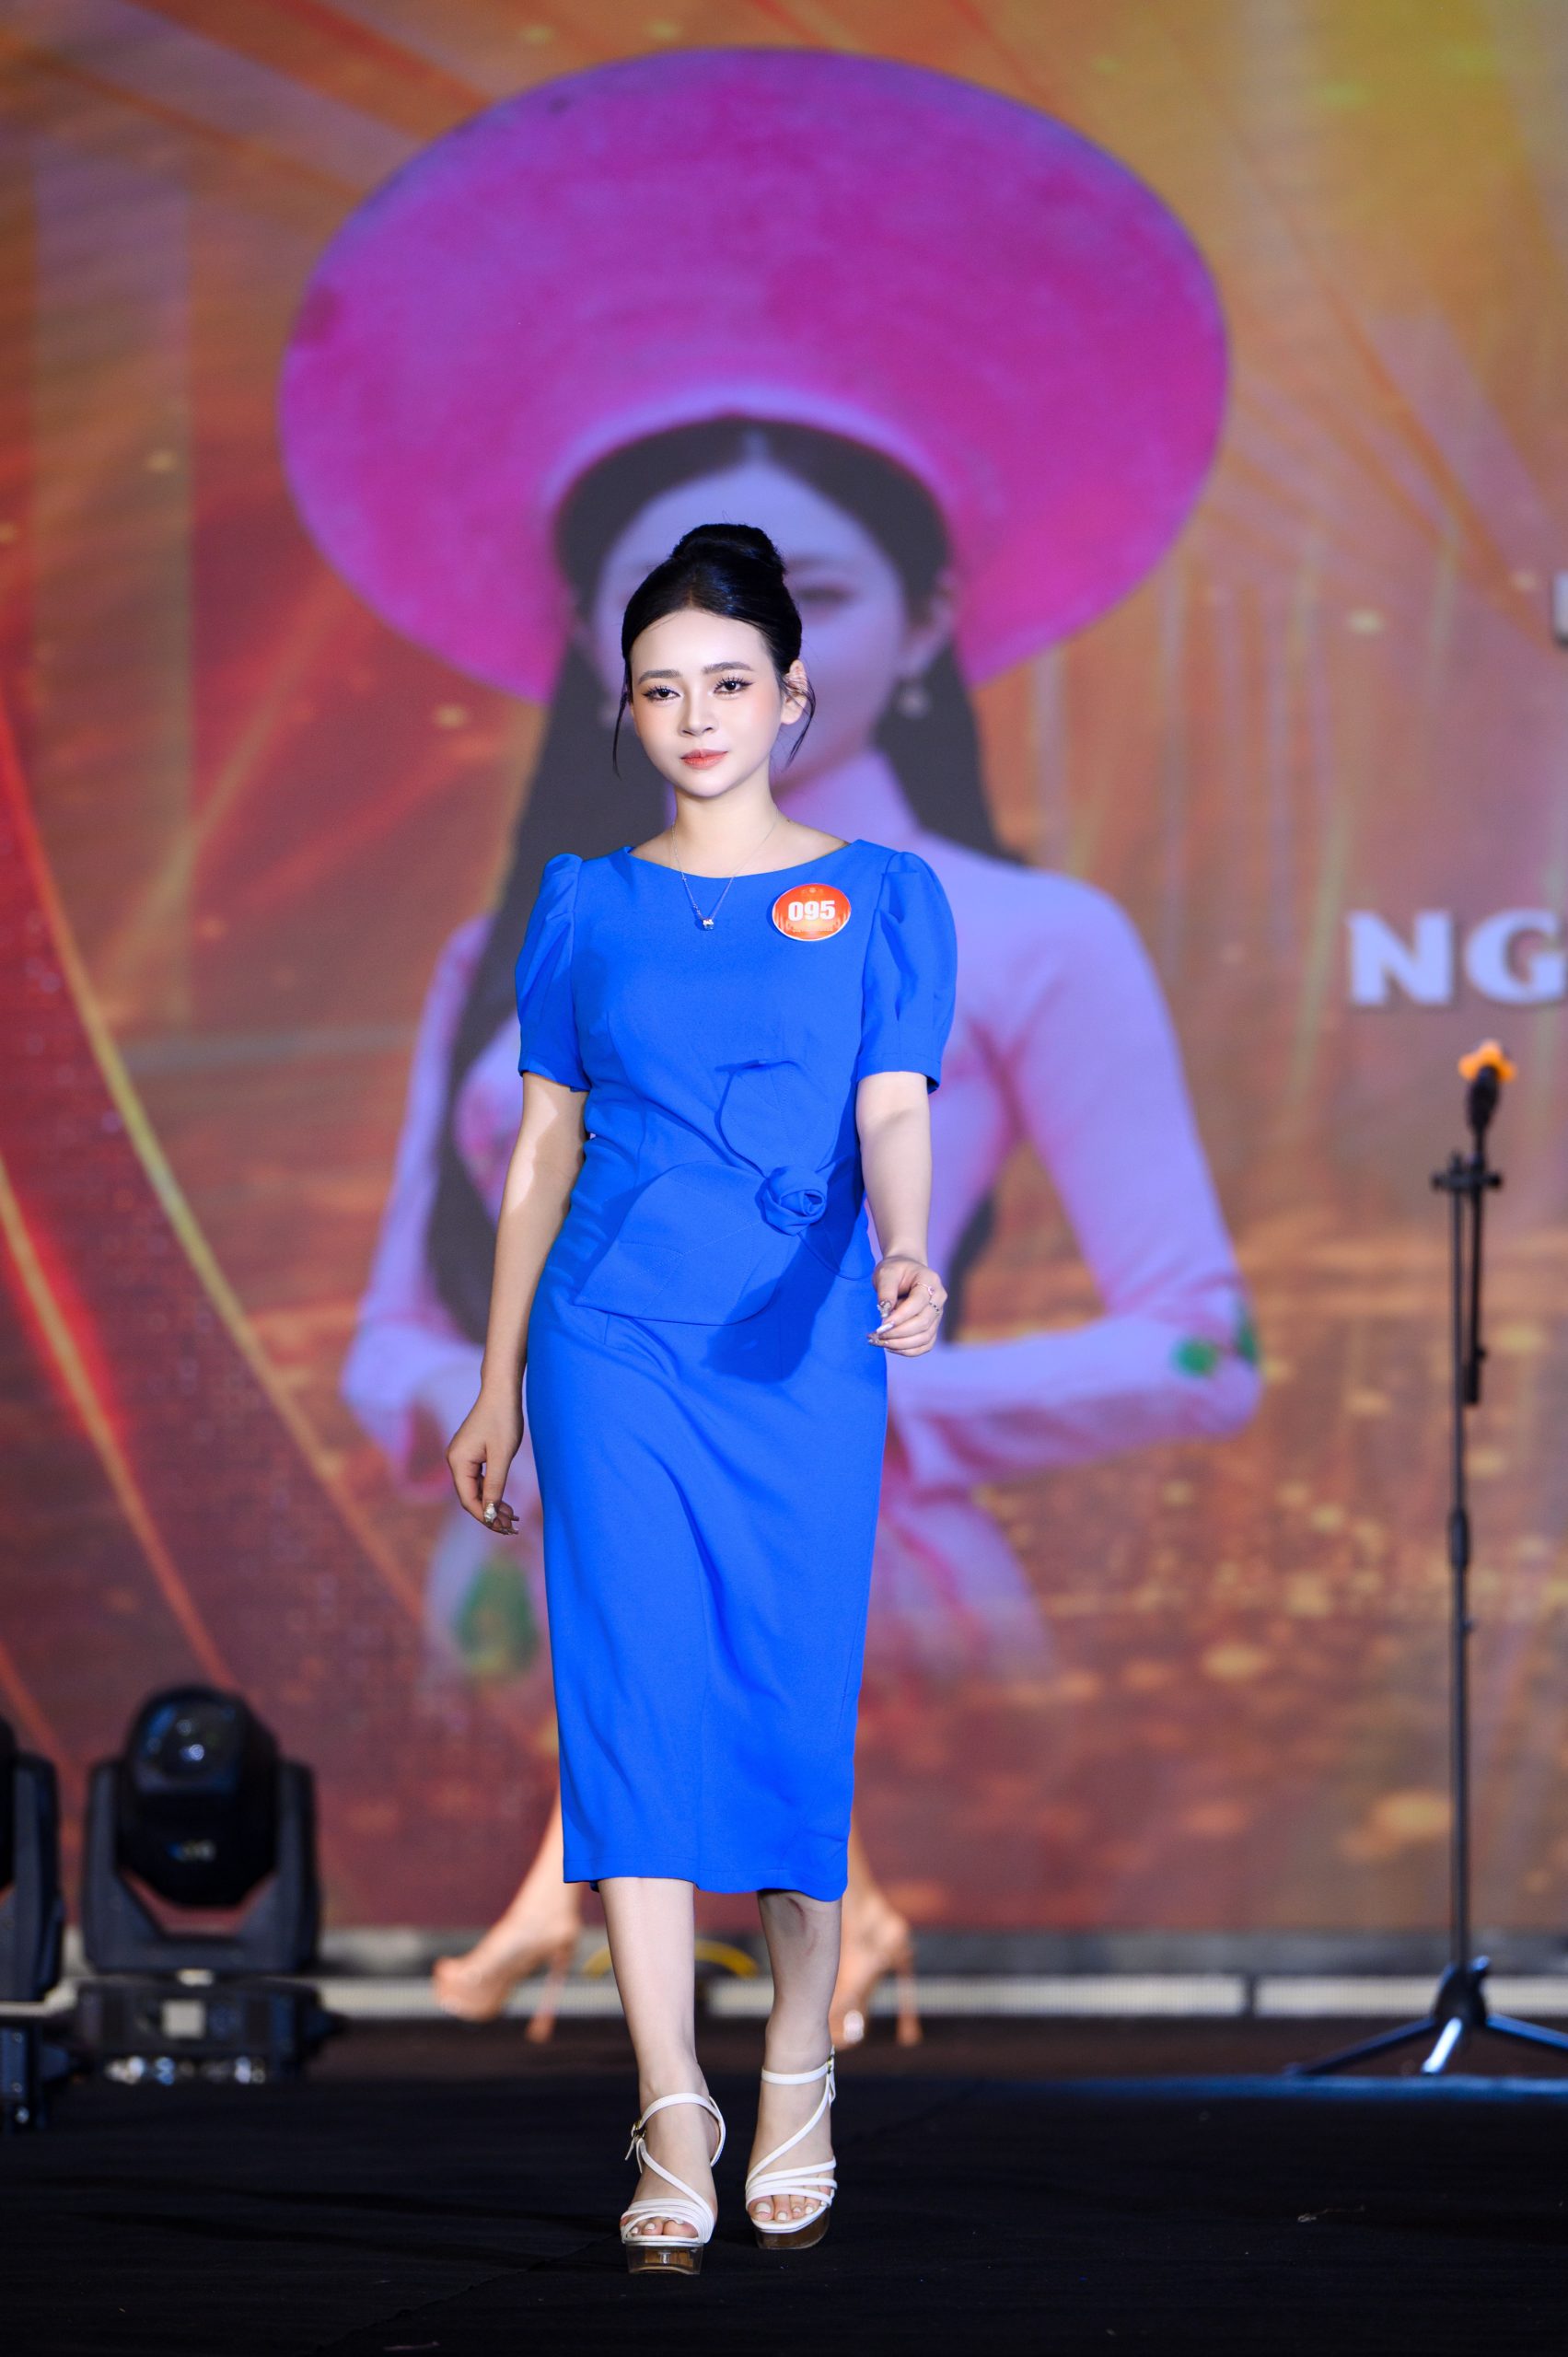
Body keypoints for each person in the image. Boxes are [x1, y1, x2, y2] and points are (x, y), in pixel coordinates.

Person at [283, 52, 1260, 2056]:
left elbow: (1202, 1348)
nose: (732, 679)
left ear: (918, 618)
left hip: (863, 1538)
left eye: (802, 608)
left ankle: (723, 1971)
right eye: (675, 636)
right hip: (534, 1548)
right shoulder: (536, 931)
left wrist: (884, 1406)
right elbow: (393, 1328)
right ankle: (663, 1995)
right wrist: (500, 1404)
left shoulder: (1016, 934)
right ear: (608, 651)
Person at [444, 519, 957, 2269]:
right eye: (660, 690)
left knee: (790, 1711)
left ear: (793, 696)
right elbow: (541, 1151)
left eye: (728, 684)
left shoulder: (885, 895)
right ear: (627, 707)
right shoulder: (585, 901)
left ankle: (798, 2061)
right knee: (630, 1715)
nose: (696, 717)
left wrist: (908, 1245)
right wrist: (498, 1381)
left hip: (797, 1353)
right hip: (607, 1347)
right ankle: (673, 2108)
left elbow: (892, 1102)